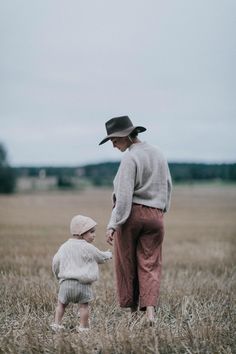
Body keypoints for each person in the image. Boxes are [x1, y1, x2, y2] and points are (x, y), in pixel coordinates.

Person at [99, 115, 172, 324]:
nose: (113, 145)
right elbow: (167, 185)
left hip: (132, 215)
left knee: (126, 263)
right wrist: (161, 209)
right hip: (156, 215)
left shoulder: (130, 158)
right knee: (150, 264)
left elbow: (123, 196)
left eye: (114, 140)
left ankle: (132, 315)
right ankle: (150, 313)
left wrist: (113, 224)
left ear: (125, 136)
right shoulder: (158, 153)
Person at [51, 214, 112, 331]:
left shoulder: (64, 247)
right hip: (83, 286)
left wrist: (58, 276)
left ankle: (56, 324)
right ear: (81, 232)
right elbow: (100, 257)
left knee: (61, 305)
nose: (94, 235)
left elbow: (55, 262)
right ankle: (83, 327)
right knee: (84, 307)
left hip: (66, 284)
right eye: (91, 232)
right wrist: (108, 255)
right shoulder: (88, 247)